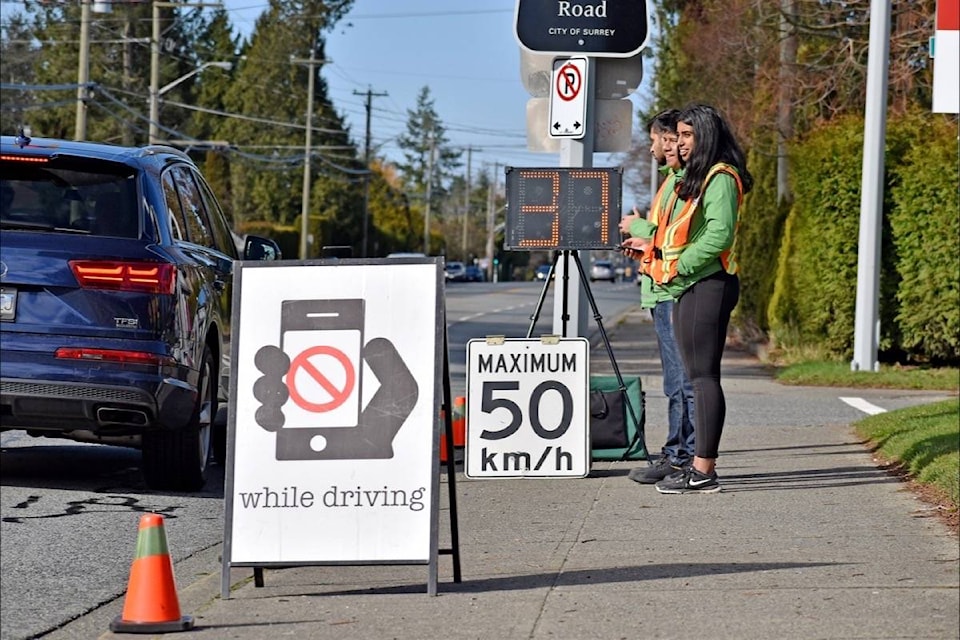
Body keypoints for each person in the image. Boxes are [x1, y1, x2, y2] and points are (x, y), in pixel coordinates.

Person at [623, 103, 753, 494]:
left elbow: (718, 236)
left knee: (701, 380)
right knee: (696, 380)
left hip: (705, 283)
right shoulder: (699, 177)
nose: (676, 143)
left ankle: (702, 470)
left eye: (686, 136)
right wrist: (659, 252)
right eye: (676, 136)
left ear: (706, 137)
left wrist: (674, 263)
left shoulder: (722, 178)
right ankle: (696, 467)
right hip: (688, 285)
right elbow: (681, 232)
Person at [618, 109, 696, 484]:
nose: (653, 147)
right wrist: (645, 245)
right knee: (674, 381)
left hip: (673, 290)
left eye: (654, 139)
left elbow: (679, 238)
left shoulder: (686, 183)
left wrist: (640, 228)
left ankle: (683, 457)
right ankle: (676, 453)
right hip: (660, 286)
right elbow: (663, 239)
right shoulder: (670, 182)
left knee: (682, 381)